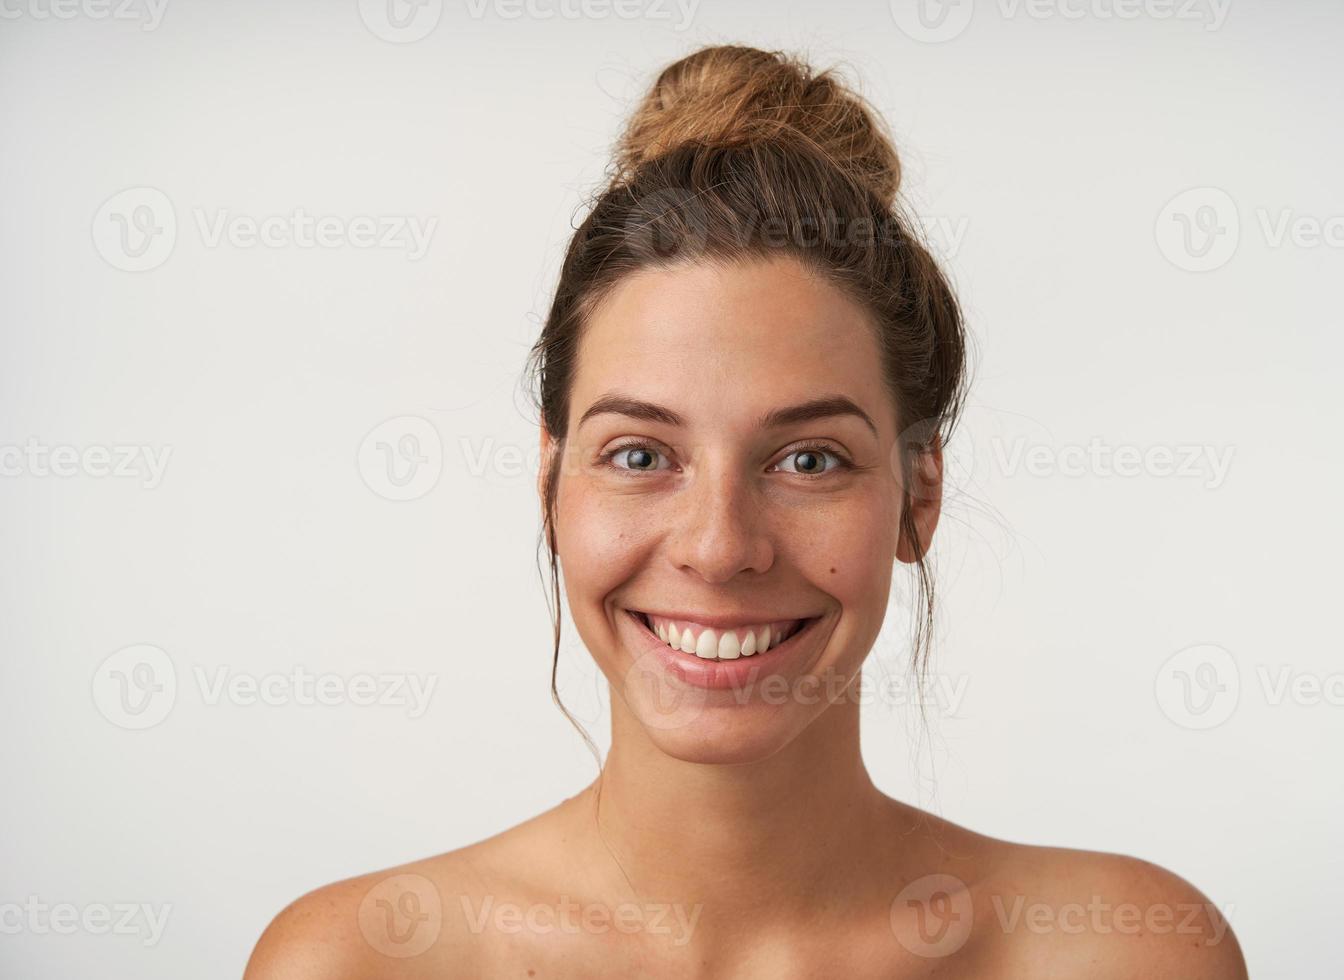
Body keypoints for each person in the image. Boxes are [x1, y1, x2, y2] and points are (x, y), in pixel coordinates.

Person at [246, 44, 1248, 978]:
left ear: (919, 496)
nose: (720, 546)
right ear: (553, 482)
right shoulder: (356, 961)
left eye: (809, 458)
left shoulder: (1127, 953)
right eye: (640, 454)